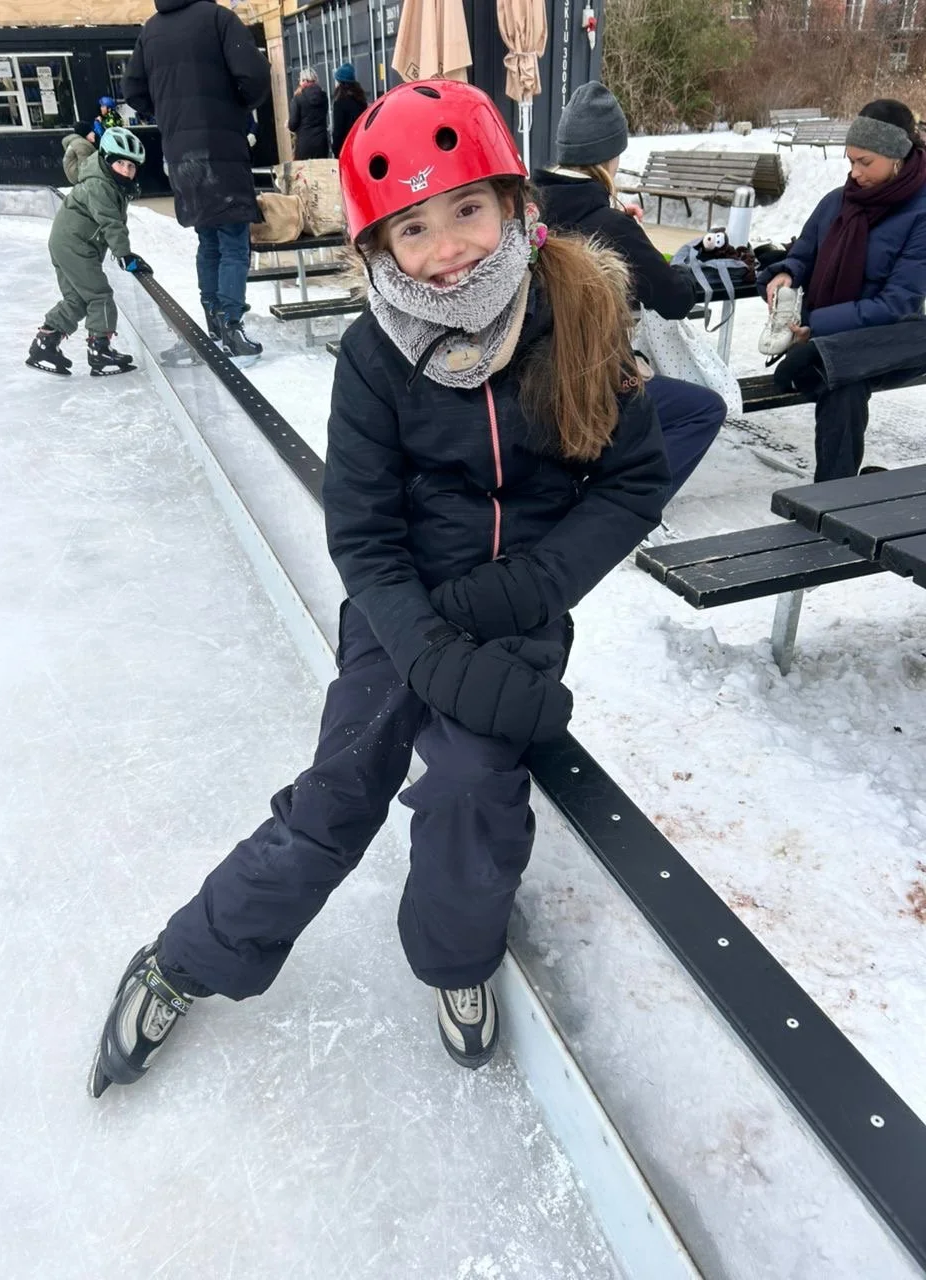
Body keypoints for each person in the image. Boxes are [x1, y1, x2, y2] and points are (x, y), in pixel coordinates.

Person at [87, 79, 669, 1097]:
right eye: (413, 227)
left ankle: (456, 960)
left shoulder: (577, 315)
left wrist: (529, 587)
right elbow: (362, 531)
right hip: (400, 613)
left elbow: (632, 479)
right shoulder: (374, 356)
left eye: (467, 208)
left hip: (518, 611)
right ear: (379, 248)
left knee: (471, 787)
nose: (447, 248)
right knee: (340, 790)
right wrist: (425, 643)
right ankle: (185, 958)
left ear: (513, 203)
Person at [534, 82, 727, 500]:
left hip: (529, 390)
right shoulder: (612, 227)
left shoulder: (526, 213)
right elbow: (676, 301)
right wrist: (646, 245)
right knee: (705, 409)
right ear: (610, 157)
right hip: (590, 391)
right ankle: (631, 500)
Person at [759, 98, 926, 481]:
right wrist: (787, 274)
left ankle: (823, 356)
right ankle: (835, 500)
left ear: (897, 156)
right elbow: (803, 254)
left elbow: (897, 305)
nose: (855, 173)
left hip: (886, 339)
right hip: (831, 343)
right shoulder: (838, 201)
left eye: (865, 162)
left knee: (862, 360)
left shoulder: (920, 214)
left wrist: (817, 327)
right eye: (850, 161)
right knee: (845, 379)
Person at [123, 0, 271, 359]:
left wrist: (169, 111)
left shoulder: (151, 30)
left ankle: (214, 321)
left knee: (208, 239)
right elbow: (253, 75)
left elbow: (133, 90)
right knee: (233, 239)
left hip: (180, 153)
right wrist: (237, 107)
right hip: (221, 146)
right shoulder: (219, 19)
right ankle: (232, 324)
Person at [26, 127, 152, 378]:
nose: (126, 170)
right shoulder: (99, 185)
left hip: (68, 243)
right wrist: (124, 255)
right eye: (120, 163)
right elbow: (110, 222)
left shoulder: (107, 180)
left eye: (131, 166)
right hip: (76, 245)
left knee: (77, 299)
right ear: (106, 159)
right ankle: (100, 350)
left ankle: (44, 344)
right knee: (99, 295)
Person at [289, 67, 329, 160]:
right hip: (321, 143)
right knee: (321, 168)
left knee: (303, 169)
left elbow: (293, 125)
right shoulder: (323, 97)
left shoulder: (297, 98)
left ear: (304, 81)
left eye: (300, 80)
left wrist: (288, 124)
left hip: (304, 144)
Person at [331, 62, 367, 158]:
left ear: (341, 83)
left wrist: (336, 150)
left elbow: (338, 131)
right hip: (360, 145)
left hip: (346, 148)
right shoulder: (361, 99)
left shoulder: (340, 103)